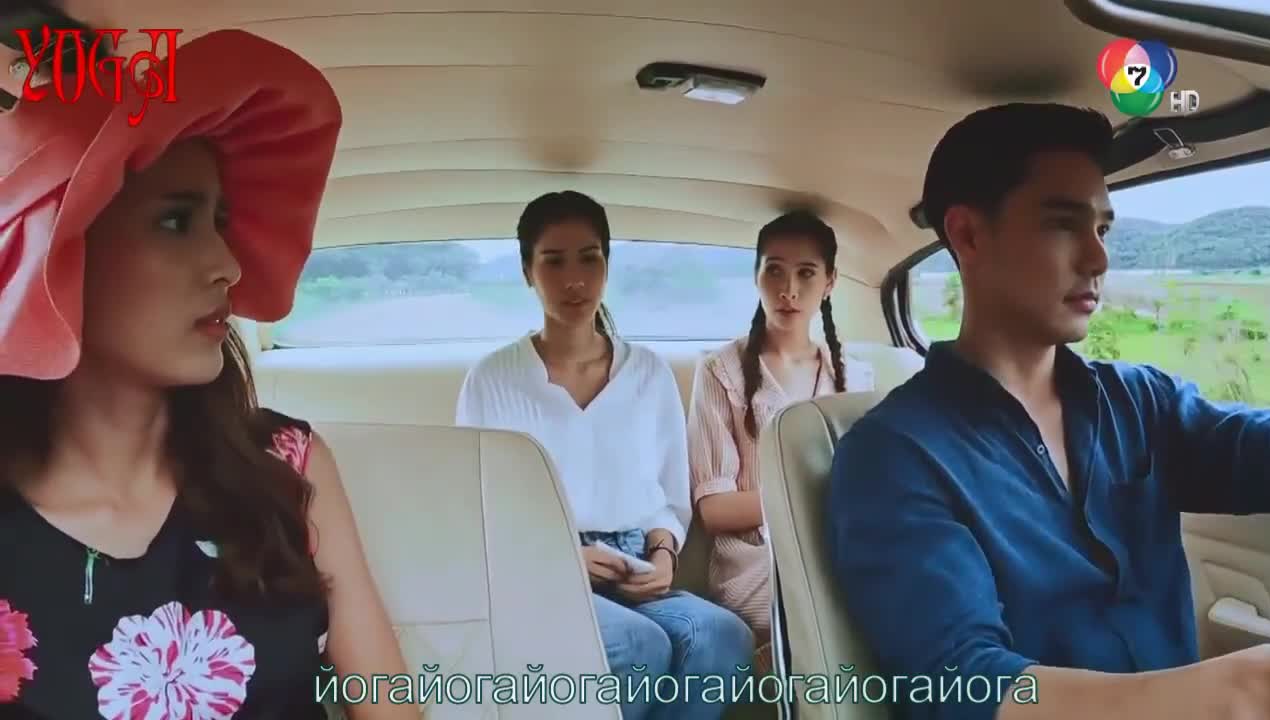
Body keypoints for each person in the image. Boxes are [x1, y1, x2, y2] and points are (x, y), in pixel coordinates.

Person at [0, 30, 417, 719]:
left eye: (219, 221)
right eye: (175, 222)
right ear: (61, 252)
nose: (229, 263)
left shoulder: (287, 466)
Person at [825, 101, 1270, 720]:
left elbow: (1260, 450)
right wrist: (1234, 690)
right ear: (968, 235)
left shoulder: (1141, 401)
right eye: (1063, 225)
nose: (1098, 259)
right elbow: (965, 684)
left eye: (1102, 230)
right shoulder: (892, 457)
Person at [455, 190, 755, 719]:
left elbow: (668, 496)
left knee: (722, 636)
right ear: (527, 272)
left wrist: (663, 556)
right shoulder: (492, 379)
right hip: (540, 568)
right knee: (639, 645)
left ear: (607, 265)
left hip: (634, 562)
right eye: (554, 261)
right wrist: (563, 558)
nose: (574, 279)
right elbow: (476, 511)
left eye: (589, 259)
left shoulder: (649, 374)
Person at [686, 210, 873, 670]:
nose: (789, 289)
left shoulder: (855, 378)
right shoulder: (720, 371)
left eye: (806, 273)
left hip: (842, 549)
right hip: (754, 565)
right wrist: (811, 499)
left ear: (829, 282)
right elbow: (715, 510)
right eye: (774, 271)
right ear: (756, 276)